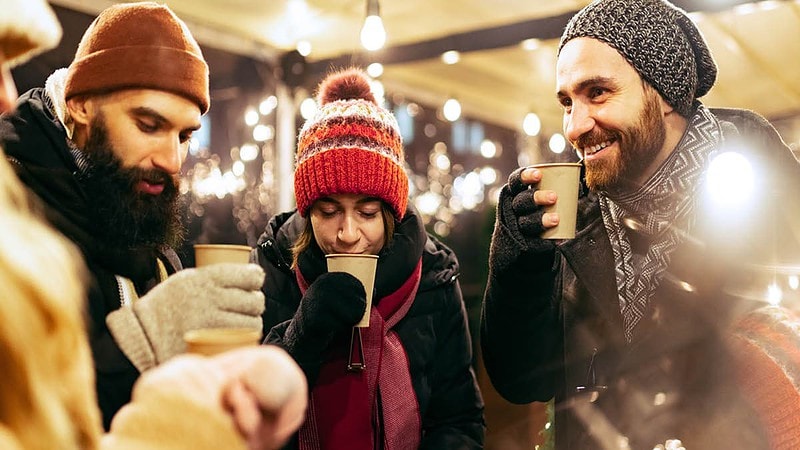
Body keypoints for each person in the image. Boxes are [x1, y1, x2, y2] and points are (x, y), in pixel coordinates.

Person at [481, 0, 800, 448]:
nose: (575, 125)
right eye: (567, 102)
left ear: (666, 92)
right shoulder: (577, 213)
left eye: (597, 93)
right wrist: (519, 268)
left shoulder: (765, 185)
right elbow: (522, 380)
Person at [0, 2, 307, 449]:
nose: (171, 160)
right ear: (80, 106)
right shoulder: (15, 223)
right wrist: (138, 342)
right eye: (148, 125)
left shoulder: (142, 229)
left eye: (185, 136)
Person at [252, 68, 485, 449]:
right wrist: (302, 335)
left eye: (367, 212)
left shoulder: (434, 278)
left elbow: (459, 419)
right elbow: (244, 420)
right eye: (328, 212)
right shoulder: (273, 266)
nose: (347, 233)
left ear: (390, 213)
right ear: (307, 213)